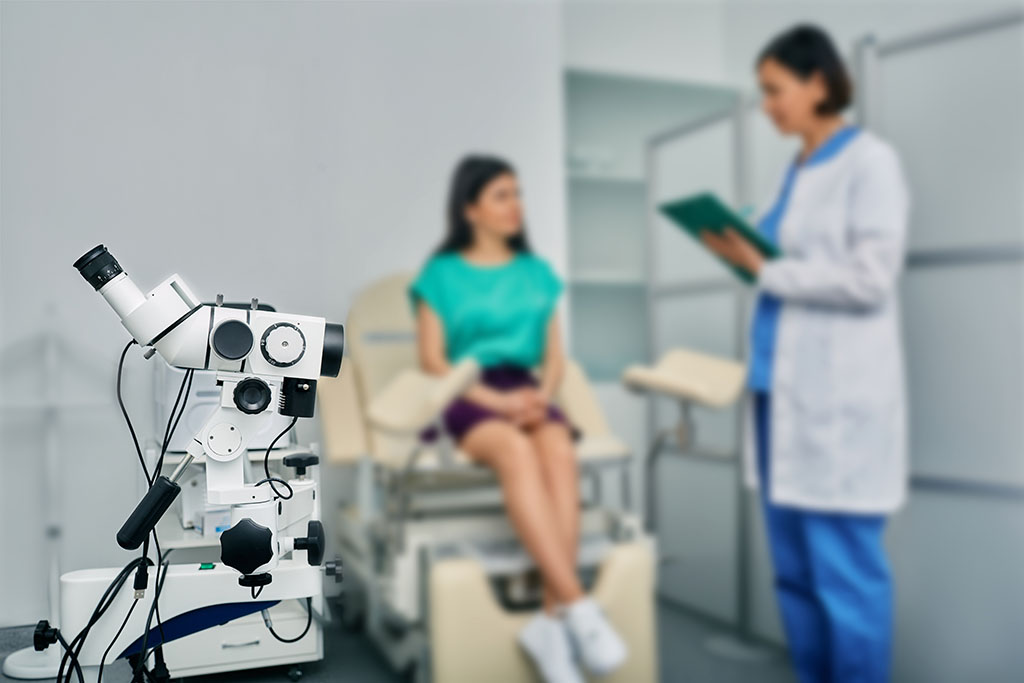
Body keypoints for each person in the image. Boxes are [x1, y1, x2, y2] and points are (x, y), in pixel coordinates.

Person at [701, 25, 909, 683]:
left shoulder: (870, 162)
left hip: (836, 402)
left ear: (818, 83)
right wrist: (739, 252)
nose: (765, 105)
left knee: (845, 574)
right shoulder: (788, 169)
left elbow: (870, 278)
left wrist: (762, 266)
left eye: (774, 91)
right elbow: (776, 269)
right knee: (793, 572)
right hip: (775, 393)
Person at [410, 155, 627, 683]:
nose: (516, 206)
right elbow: (433, 360)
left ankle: (551, 625)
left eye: (519, 193)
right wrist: (497, 402)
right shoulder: (440, 275)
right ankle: (578, 605)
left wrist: (540, 395)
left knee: (557, 447)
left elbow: (554, 356)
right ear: (471, 209)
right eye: (502, 195)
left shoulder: (536, 273)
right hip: (468, 389)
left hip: (527, 388)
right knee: (515, 448)